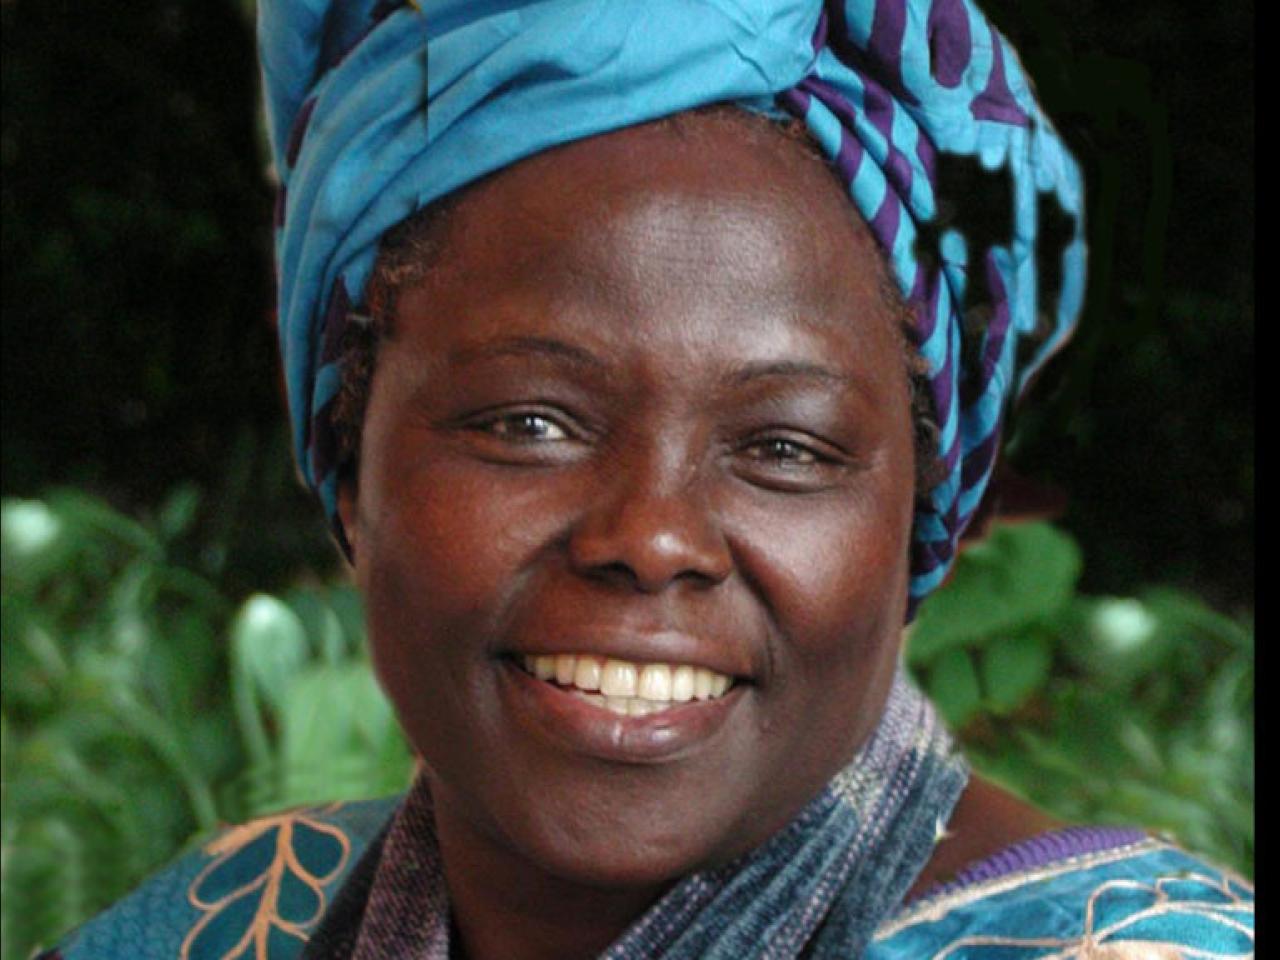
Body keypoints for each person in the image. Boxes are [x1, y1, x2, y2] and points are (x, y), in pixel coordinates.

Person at [42, 1, 1253, 957]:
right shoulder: (231, 921)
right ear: (350, 466)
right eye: (529, 422)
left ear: (914, 528)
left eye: (784, 448)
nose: (652, 536)